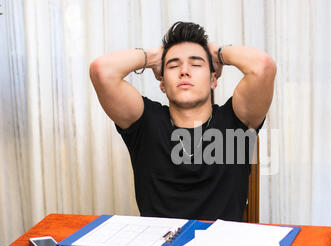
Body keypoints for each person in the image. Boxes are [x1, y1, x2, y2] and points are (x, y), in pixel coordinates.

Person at [89, 21, 276, 221]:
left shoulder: (235, 121)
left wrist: (218, 52)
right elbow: (102, 71)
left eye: (196, 64)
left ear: (214, 80)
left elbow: (263, 67)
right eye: (173, 65)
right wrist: (152, 56)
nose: (184, 71)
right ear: (162, 83)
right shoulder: (146, 123)